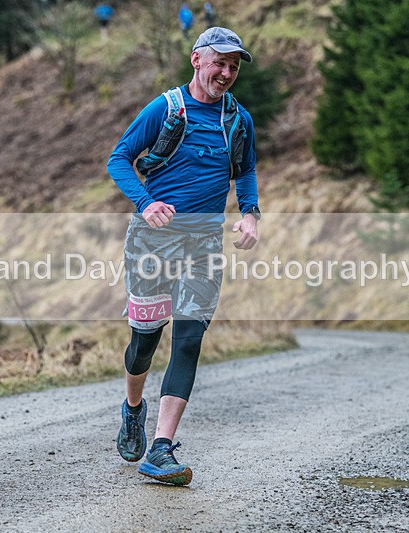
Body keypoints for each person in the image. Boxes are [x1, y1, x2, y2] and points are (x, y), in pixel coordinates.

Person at [107, 27, 260, 486]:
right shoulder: (166, 108)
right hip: (153, 242)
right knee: (145, 341)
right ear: (196, 60)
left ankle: (161, 447)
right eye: (220, 63)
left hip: (204, 243)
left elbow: (246, 168)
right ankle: (133, 409)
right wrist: (146, 203)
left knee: (189, 338)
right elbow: (119, 158)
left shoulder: (238, 119)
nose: (227, 73)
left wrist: (250, 214)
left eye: (234, 66)